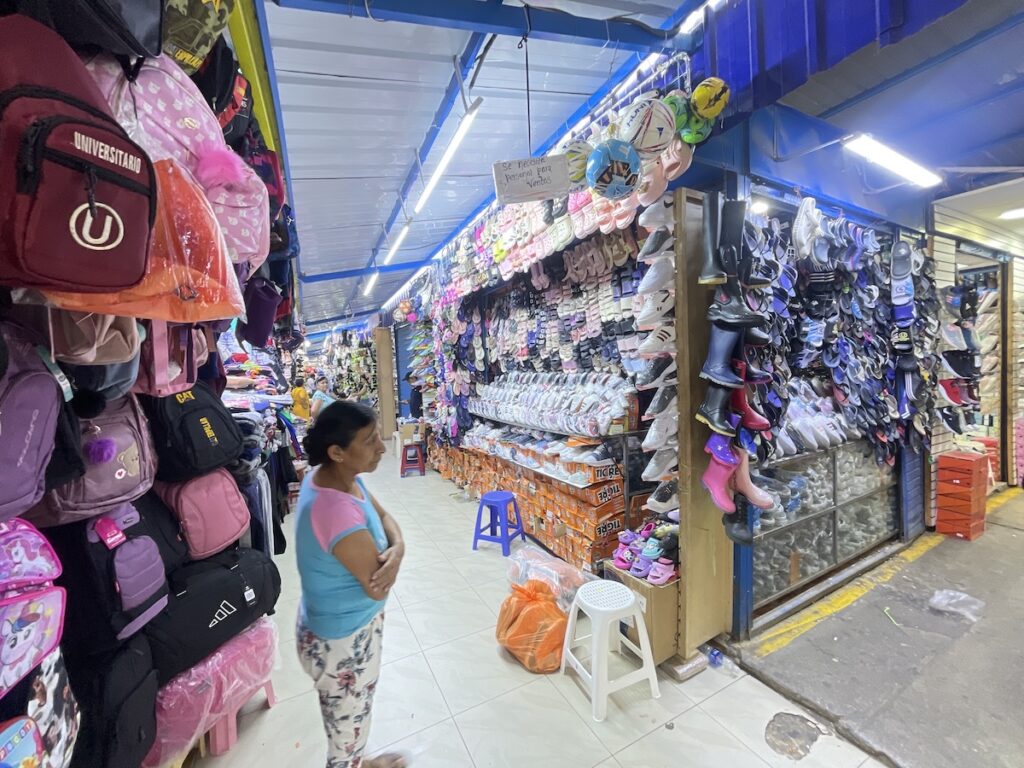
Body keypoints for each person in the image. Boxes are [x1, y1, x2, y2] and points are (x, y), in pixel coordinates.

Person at [295, 401, 406, 768]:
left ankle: (361, 761)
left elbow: (385, 516)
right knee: (345, 739)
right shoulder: (335, 511)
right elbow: (377, 586)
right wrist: (395, 554)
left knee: (351, 720)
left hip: (338, 627)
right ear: (337, 452)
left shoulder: (339, 479)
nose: (382, 447)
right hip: (342, 641)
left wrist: (399, 548)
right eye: (370, 440)